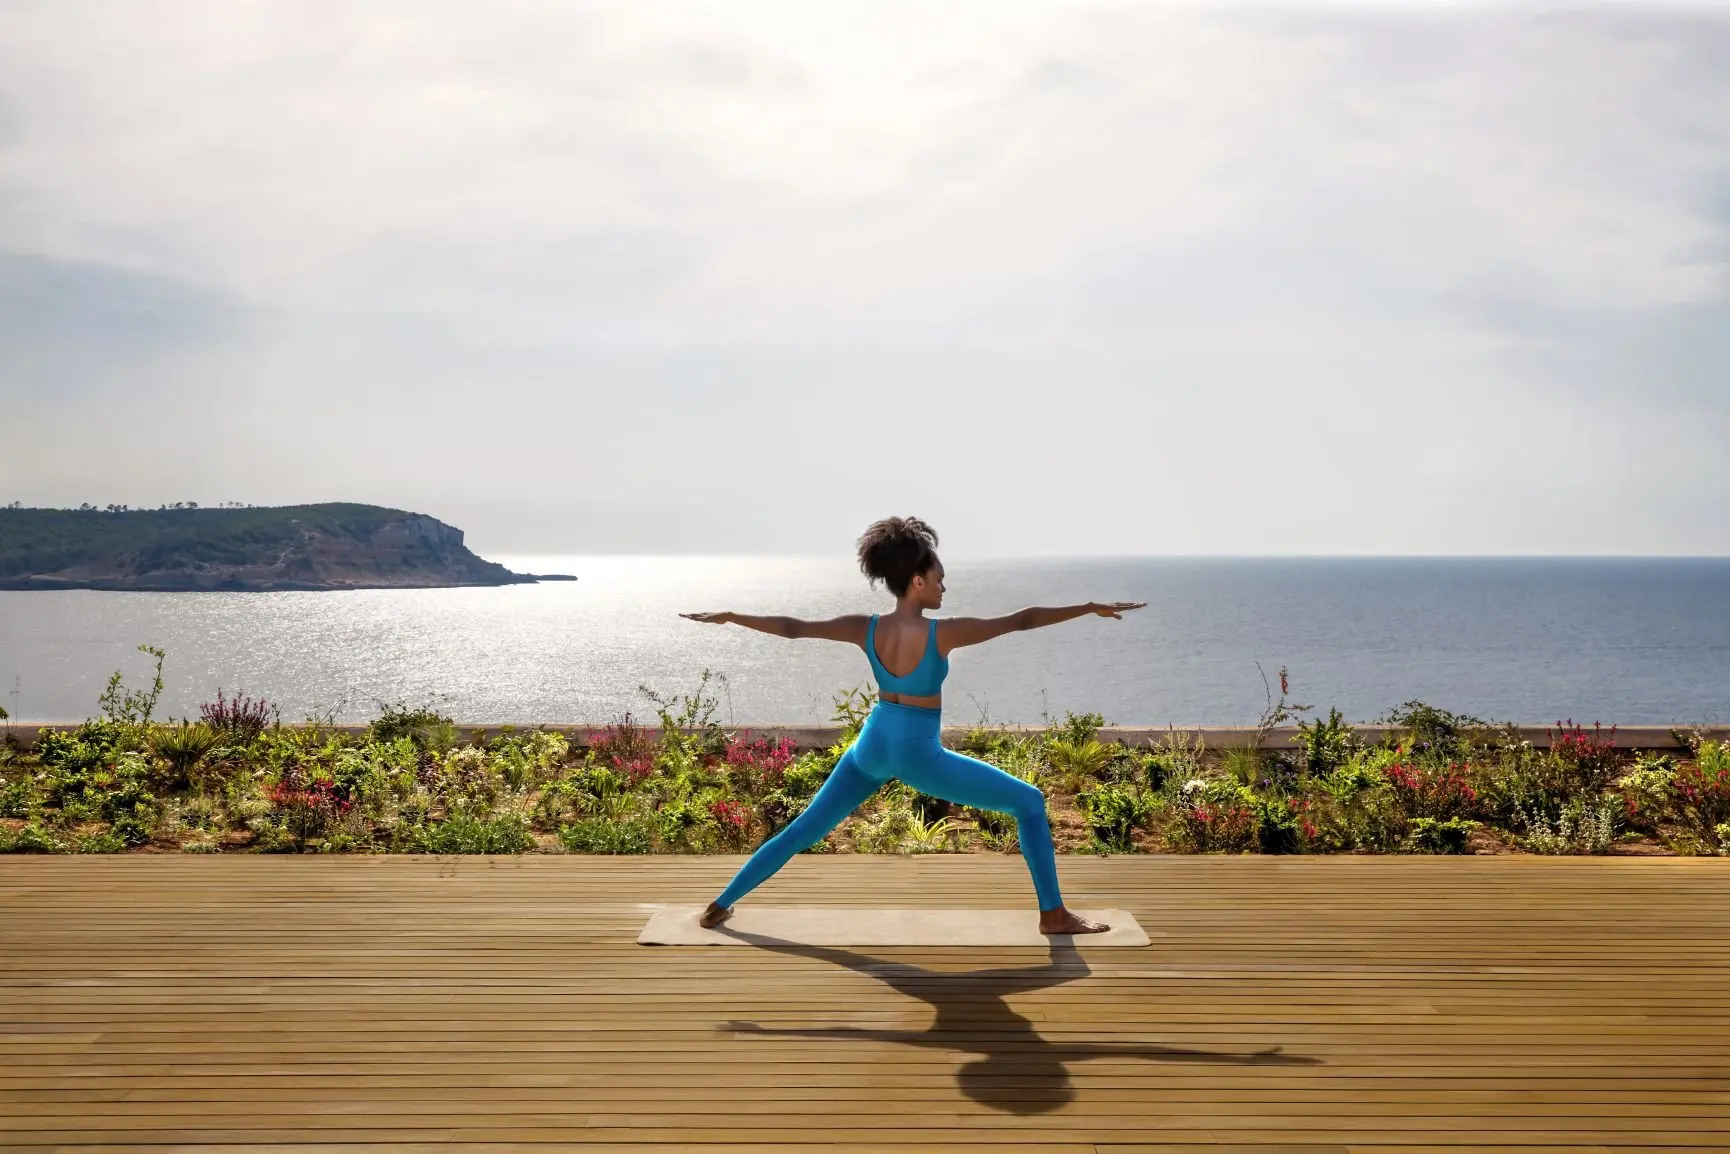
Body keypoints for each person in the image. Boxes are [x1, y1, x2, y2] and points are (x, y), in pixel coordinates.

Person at [681, 515, 1145, 935]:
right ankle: (1054, 915)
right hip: (915, 752)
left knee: (803, 829)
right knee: (1029, 803)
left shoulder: (863, 627)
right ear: (918, 580)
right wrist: (1087, 607)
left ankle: (720, 905)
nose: (945, 589)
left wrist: (732, 617)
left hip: (872, 742)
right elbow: (1021, 620)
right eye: (940, 581)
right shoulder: (942, 633)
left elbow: (794, 627)